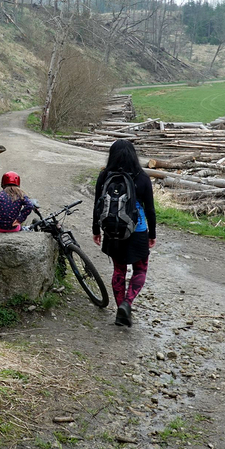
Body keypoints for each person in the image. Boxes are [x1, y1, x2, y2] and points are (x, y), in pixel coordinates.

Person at [92, 139, 156, 327]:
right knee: (140, 269)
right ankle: (127, 304)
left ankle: (121, 309)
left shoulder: (105, 176)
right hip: (138, 230)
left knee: (119, 270)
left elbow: (97, 205)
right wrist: (152, 234)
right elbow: (150, 210)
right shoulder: (142, 177)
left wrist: (96, 230)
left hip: (113, 230)